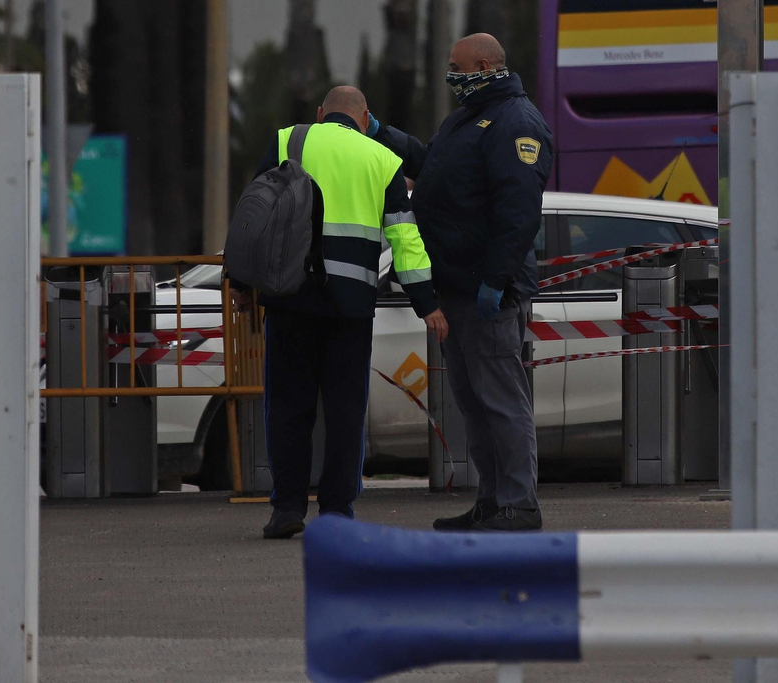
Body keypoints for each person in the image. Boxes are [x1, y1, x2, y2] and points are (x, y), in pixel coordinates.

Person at [231, 86, 448, 539]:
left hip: (290, 297)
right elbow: (406, 240)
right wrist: (426, 303)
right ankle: (337, 512)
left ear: (319, 114)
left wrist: (241, 284)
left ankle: (287, 508)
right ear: (365, 118)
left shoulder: (287, 141)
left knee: (289, 407)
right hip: (351, 306)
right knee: (346, 411)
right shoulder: (382, 160)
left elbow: (252, 218)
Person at [371, 33, 554, 532]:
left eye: (457, 67)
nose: (451, 76)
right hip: (456, 290)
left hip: (486, 293)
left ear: (485, 64)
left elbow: (517, 214)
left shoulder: (516, 122)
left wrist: (496, 281)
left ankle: (520, 503)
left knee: (501, 402)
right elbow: (431, 167)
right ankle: (492, 502)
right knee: (475, 407)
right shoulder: (469, 118)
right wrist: (381, 133)